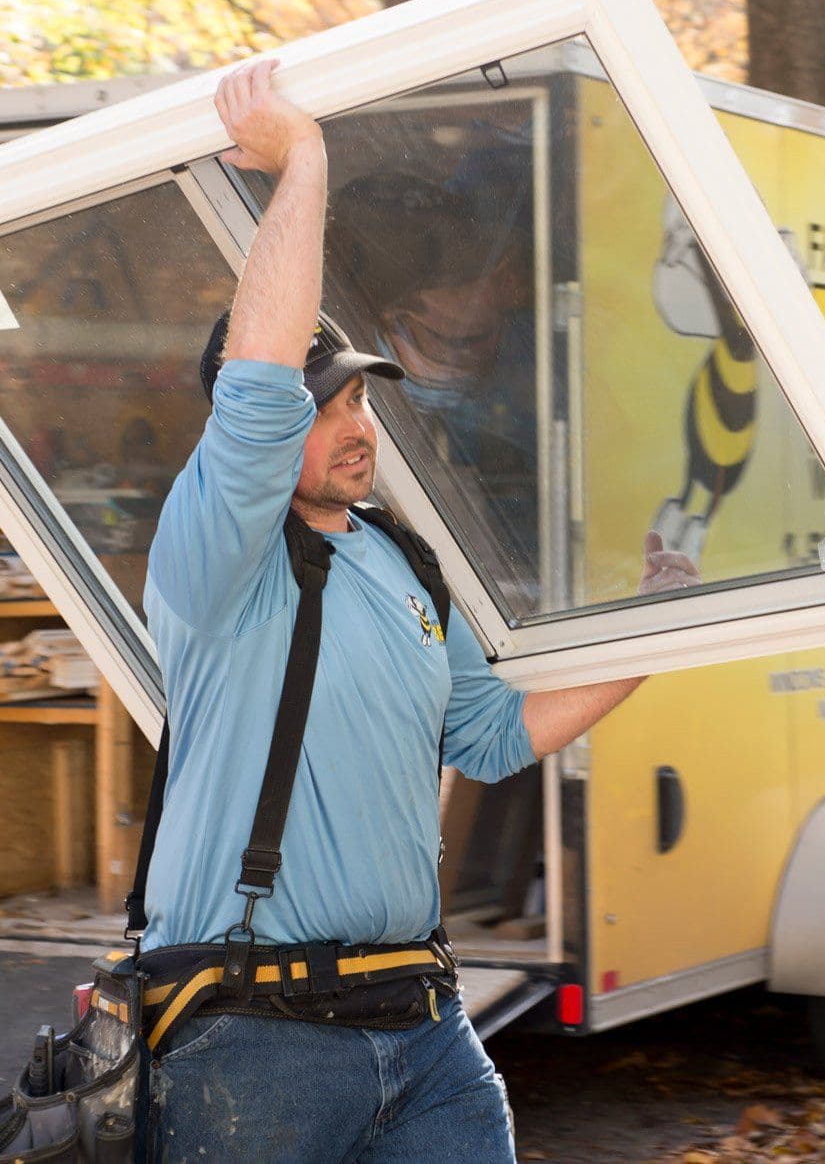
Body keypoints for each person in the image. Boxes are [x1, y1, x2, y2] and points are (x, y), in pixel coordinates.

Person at [140, 59, 698, 1163]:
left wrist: (662, 627)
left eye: (358, 399)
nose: (356, 425)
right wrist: (303, 160)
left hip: (425, 1025)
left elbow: (493, 739)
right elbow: (256, 392)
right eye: (324, 407)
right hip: (253, 1034)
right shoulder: (216, 558)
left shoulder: (403, 564)